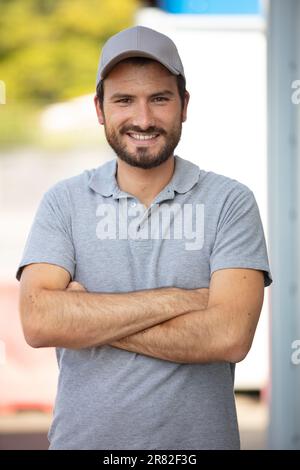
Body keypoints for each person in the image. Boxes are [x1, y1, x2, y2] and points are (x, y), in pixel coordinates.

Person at [17, 25, 272, 450]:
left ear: (184, 105)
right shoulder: (64, 202)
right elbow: (39, 321)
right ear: (99, 109)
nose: (143, 119)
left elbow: (229, 335)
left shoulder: (230, 202)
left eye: (159, 98)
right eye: (123, 100)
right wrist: (184, 299)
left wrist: (83, 315)